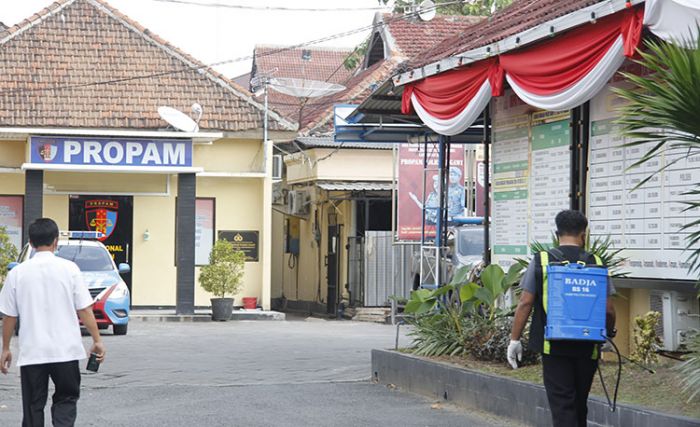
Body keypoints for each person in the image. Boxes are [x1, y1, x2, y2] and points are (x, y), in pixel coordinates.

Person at [507, 210, 616, 427]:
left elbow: (525, 302)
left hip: (553, 345)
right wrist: (607, 335)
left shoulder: (542, 260)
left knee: (562, 405)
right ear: (583, 235)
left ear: (557, 234)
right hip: (588, 345)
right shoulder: (596, 262)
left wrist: (514, 340)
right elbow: (609, 310)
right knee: (579, 404)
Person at [0, 218, 106, 427]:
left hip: (33, 352)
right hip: (66, 351)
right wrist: (97, 340)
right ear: (56, 241)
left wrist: (6, 348)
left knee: (32, 406)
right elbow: (84, 309)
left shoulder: (17, 273)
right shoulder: (70, 269)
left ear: (30, 242)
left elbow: (9, 316)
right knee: (66, 400)